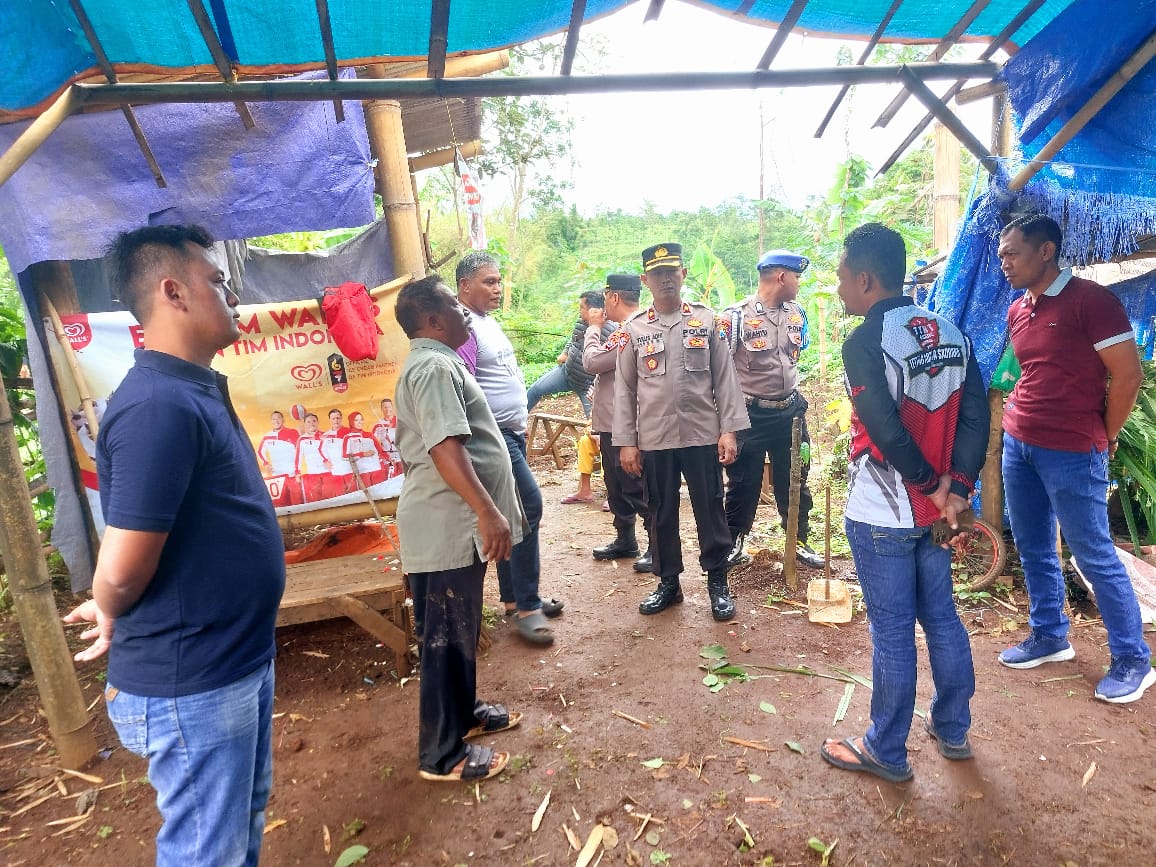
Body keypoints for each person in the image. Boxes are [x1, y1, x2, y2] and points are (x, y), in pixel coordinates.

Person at [62, 224, 285, 865]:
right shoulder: (158, 405)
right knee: (205, 852)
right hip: (196, 682)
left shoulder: (187, 390)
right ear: (173, 291)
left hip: (231, 663)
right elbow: (126, 561)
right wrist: (108, 599)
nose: (231, 294)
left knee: (235, 832)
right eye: (216, 280)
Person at [820, 222, 988, 784]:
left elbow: (884, 429)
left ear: (867, 279)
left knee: (892, 630)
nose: (840, 288)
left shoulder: (864, 342)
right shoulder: (953, 331)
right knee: (942, 616)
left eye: (843, 278)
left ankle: (886, 749)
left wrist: (927, 484)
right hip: (939, 515)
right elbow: (975, 416)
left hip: (886, 512)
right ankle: (954, 727)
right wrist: (956, 488)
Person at [996, 213, 1153, 703]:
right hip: (1019, 444)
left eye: (1012, 253)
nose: (1003, 262)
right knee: (1033, 544)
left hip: (1072, 451)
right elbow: (1034, 372)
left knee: (1094, 554)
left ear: (1046, 251)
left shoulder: (1094, 302)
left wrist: (1101, 435)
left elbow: (1127, 377)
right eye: (1001, 254)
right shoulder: (1019, 309)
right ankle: (1050, 635)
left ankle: (1133, 659)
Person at [394, 274, 523, 783]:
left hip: (454, 523)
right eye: (453, 303)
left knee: (461, 628)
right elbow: (445, 448)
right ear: (431, 320)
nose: (464, 310)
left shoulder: (441, 362)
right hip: (446, 524)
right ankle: (441, 754)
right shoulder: (431, 368)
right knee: (444, 636)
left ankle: (464, 714)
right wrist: (488, 511)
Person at [614, 243, 750, 620]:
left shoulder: (708, 322)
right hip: (654, 438)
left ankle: (717, 582)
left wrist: (730, 431)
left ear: (684, 274)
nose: (666, 278)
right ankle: (669, 582)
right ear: (646, 280)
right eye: (658, 273)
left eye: (672, 271)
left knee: (710, 509)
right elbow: (624, 390)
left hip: (701, 434)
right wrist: (626, 442)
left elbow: (726, 381)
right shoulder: (634, 329)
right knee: (660, 511)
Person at [456, 252, 563, 644]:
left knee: (511, 511)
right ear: (465, 284)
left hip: (509, 433)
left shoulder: (484, 320)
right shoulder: (463, 324)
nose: (497, 288)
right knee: (528, 506)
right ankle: (527, 607)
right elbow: (463, 382)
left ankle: (512, 597)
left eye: (499, 281)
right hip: (493, 436)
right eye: (488, 282)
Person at [720, 250, 823, 570]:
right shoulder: (735, 318)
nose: (799, 283)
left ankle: (799, 539)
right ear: (781, 277)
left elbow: (794, 357)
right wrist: (727, 428)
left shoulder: (797, 314)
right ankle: (734, 542)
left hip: (790, 411)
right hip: (749, 414)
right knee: (743, 483)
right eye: (796, 277)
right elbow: (720, 376)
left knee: (795, 479)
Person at [584, 273, 653, 572]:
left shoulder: (629, 330)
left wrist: (593, 329)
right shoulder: (634, 326)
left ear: (613, 298)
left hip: (625, 425)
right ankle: (626, 539)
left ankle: (656, 545)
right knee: (617, 488)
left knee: (635, 487)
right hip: (612, 424)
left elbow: (593, 362)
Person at [526, 290, 605, 417]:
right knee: (534, 390)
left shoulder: (610, 329)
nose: (579, 311)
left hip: (587, 385)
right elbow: (573, 338)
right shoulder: (580, 321)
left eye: (581, 307)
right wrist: (565, 352)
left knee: (595, 422)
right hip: (565, 374)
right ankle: (515, 424)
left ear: (593, 310)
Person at [258, 410, 300, 506]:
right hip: (277, 476)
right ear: (271, 421)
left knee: (296, 503)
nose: (276, 421)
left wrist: (298, 471)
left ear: (283, 420)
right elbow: (260, 451)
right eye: (273, 419)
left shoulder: (293, 432)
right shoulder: (267, 436)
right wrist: (266, 463)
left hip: (292, 474)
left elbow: (300, 451)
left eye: (278, 418)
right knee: (281, 504)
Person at [294, 412, 330, 502]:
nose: (312, 424)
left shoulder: (325, 436)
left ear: (317, 422)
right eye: (308, 422)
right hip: (312, 475)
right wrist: (297, 472)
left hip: (328, 473)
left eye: (314, 421)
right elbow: (298, 457)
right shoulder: (302, 439)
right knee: (316, 502)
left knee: (331, 500)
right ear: (305, 424)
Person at [320, 407, 352, 498]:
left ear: (341, 419)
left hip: (350, 471)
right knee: (341, 498)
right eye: (333, 418)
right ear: (330, 420)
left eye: (338, 418)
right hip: (336, 473)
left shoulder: (349, 432)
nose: (336, 421)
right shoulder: (326, 436)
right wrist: (325, 460)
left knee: (355, 496)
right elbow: (321, 450)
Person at [372, 397, 403, 478]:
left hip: (402, 457)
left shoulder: (400, 421)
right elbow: (373, 443)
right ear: (381, 409)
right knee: (392, 482)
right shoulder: (378, 425)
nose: (387, 409)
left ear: (392, 407)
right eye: (385, 407)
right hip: (389, 460)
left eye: (389, 406)